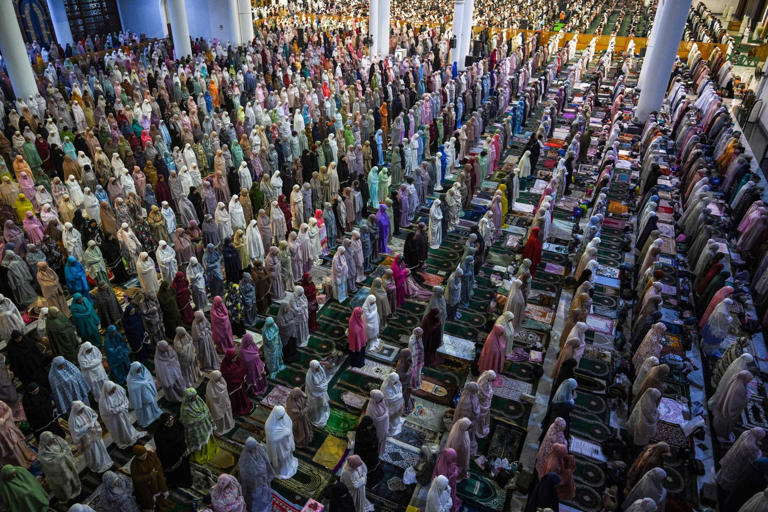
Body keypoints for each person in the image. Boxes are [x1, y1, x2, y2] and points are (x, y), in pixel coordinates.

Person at [68, 400, 113, 473]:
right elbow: (76, 432)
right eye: (80, 410)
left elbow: (94, 415)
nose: (82, 411)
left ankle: (105, 461)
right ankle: (97, 465)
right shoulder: (72, 419)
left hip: (94, 433)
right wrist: (86, 427)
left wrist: (92, 422)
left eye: (82, 409)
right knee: (94, 452)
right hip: (86, 439)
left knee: (101, 447)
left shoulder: (85, 409)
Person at [37, 431, 80, 501]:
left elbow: (65, 447)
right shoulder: (42, 453)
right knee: (65, 486)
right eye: (50, 440)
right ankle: (69, 498)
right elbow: (49, 463)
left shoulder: (55, 442)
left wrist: (64, 453)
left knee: (72, 480)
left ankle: (76, 491)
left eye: (52, 438)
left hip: (66, 467)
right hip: (58, 474)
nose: (53, 440)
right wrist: (60, 456)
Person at [179, 388, 219, 464]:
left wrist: (203, 416)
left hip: (205, 426)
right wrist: (202, 417)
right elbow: (189, 421)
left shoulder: (198, 399)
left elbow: (205, 408)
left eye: (196, 395)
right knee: (200, 442)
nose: (196, 397)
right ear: (189, 398)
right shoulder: (185, 409)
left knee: (208, 438)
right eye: (194, 396)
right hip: (196, 431)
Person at [153, 413, 192, 488]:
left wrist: (180, 441)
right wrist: (176, 443)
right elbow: (163, 448)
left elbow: (182, 429)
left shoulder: (176, 423)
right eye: (168, 422)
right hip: (171, 457)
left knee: (185, 467)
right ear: (164, 424)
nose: (171, 422)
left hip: (181, 451)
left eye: (172, 420)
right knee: (176, 472)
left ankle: (185, 480)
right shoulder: (159, 433)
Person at [238, 437, 274, 512]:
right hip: (255, 485)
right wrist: (259, 472)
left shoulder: (259, 448)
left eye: (256, 446)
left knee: (265, 495)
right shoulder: (245, 457)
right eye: (254, 447)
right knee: (256, 499)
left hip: (263, 481)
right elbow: (245, 474)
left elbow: (266, 461)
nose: (256, 448)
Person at [129, 444, 168, 511]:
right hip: (145, 485)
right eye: (141, 456)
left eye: (145, 454)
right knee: (148, 499)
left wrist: (155, 474)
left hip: (155, 479)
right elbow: (136, 479)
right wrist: (149, 476)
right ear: (137, 456)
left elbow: (158, 465)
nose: (144, 456)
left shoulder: (150, 455)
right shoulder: (134, 464)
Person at [264, 405, 298, 479]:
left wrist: (287, 433)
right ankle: (282, 471)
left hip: (286, 442)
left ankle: (289, 465)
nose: (282, 418)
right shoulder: (269, 425)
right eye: (280, 417)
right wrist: (284, 433)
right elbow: (272, 438)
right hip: (278, 447)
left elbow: (289, 423)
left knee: (288, 456)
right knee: (282, 459)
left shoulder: (284, 415)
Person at [126, 362, 164, 427]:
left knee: (153, 404)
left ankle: (155, 414)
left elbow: (149, 379)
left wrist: (146, 384)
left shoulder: (144, 371)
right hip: (141, 398)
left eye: (140, 369)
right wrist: (141, 385)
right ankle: (148, 419)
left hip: (149, 393)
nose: (140, 371)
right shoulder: (131, 380)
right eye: (138, 370)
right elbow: (132, 389)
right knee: (146, 410)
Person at [0, 400, 35, 468]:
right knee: (7, 450)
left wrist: (4, 419)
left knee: (16, 445)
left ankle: (23, 461)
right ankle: (15, 466)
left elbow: (8, 410)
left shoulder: (0, 403)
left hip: (7, 429)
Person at [220, 349, 254, 416]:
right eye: (233, 357)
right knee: (236, 400)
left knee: (241, 397)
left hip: (240, 386)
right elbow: (227, 377)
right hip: (233, 388)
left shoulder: (237, 360)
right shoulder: (224, 366)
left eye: (235, 357)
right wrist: (238, 374)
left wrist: (240, 374)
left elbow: (241, 367)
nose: (235, 359)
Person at [206, 370, 235, 434]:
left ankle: (228, 425)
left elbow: (224, 389)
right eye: (218, 377)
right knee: (220, 417)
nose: (220, 378)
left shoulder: (222, 381)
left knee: (227, 414)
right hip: (217, 407)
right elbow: (212, 399)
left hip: (225, 403)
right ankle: (221, 429)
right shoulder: (210, 387)